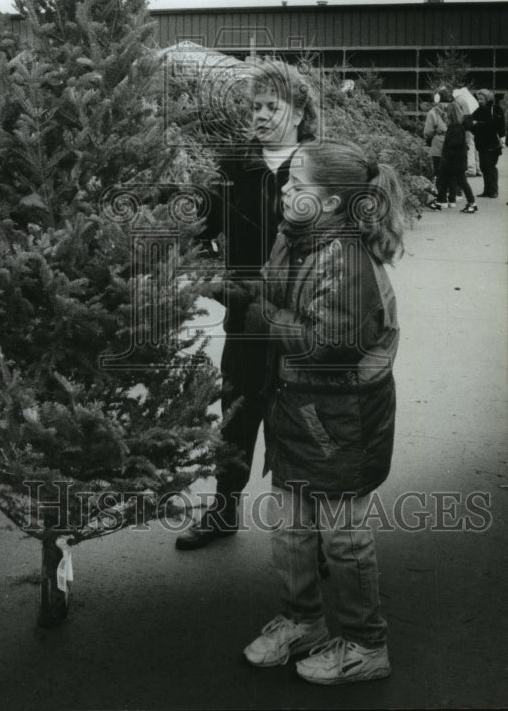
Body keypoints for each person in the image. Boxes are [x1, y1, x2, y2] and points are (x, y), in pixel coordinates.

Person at [242, 138, 404, 684]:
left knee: (342, 535)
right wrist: (231, 287)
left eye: (298, 184)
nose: (285, 189)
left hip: (342, 423)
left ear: (332, 203)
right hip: (298, 409)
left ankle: (366, 643)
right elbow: (271, 290)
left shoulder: (347, 260)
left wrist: (261, 316)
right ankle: (302, 620)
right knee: (290, 526)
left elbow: (329, 344)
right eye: (287, 179)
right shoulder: (297, 238)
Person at [176, 58, 320, 550]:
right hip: (244, 323)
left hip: (303, 327)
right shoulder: (233, 169)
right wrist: (215, 282)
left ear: (299, 113)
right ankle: (223, 511)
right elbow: (194, 232)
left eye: (272, 107)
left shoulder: (319, 171)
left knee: (303, 422)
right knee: (237, 414)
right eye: (255, 106)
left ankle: (310, 531)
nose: (259, 115)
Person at [427, 102, 478, 214]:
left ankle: (472, 203)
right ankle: (440, 202)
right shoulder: (459, 126)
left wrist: (446, 159)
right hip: (457, 161)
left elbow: (453, 146)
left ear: (450, 114)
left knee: (460, 181)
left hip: (453, 162)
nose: (444, 115)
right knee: (446, 180)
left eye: (446, 113)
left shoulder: (454, 127)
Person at [465, 89, 505, 198]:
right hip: (482, 144)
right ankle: (487, 190)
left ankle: (493, 191)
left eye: (481, 99)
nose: (479, 101)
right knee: (484, 167)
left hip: (492, 144)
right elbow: (469, 123)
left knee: (490, 166)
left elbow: (496, 126)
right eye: (478, 99)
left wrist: (478, 124)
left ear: (487, 98)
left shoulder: (495, 109)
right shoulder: (479, 110)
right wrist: (477, 125)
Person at [423, 87, 452, 201]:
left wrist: (428, 138)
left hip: (438, 144)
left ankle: (440, 196)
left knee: (438, 170)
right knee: (449, 170)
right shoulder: (452, 109)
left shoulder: (433, 112)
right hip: (451, 143)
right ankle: (452, 194)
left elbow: (428, 132)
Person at [452, 82, 480, 177]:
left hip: (469, 126)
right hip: (477, 124)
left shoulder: (460, 99)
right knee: (476, 146)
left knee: (470, 146)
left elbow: (463, 115)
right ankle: (478, 169)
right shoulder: (471, 98)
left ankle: (471, 169)